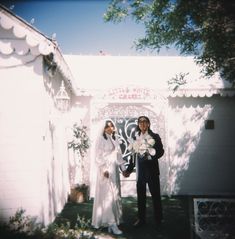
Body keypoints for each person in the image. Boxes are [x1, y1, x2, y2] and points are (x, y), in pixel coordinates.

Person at [123, 116, 164, 228]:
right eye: (140, 122)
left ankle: (158, 220)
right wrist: (129, 170)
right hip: (140, 172)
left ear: (148, 124)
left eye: (145, 122)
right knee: (141, 197)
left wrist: (151, 155)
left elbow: (161, 151)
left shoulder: (154, 136)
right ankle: (141, 219)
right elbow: (132, 156)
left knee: (155, 196)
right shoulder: (135, 137)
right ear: (138, 124)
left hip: (152, 171)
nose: (142, 124)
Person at [92, 120, 127, 235]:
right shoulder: (101, 139)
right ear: (104, 128)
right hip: (105, 171)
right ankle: (111, 223)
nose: (110, 128)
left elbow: (119, 156)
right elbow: (97, 156)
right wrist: (104, 169)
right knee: (107, 196)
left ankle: (112, 222)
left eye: (111, 126)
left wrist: (124, 169)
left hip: (114, 170)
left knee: (115, 195)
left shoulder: (115, 139)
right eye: (107, 126)